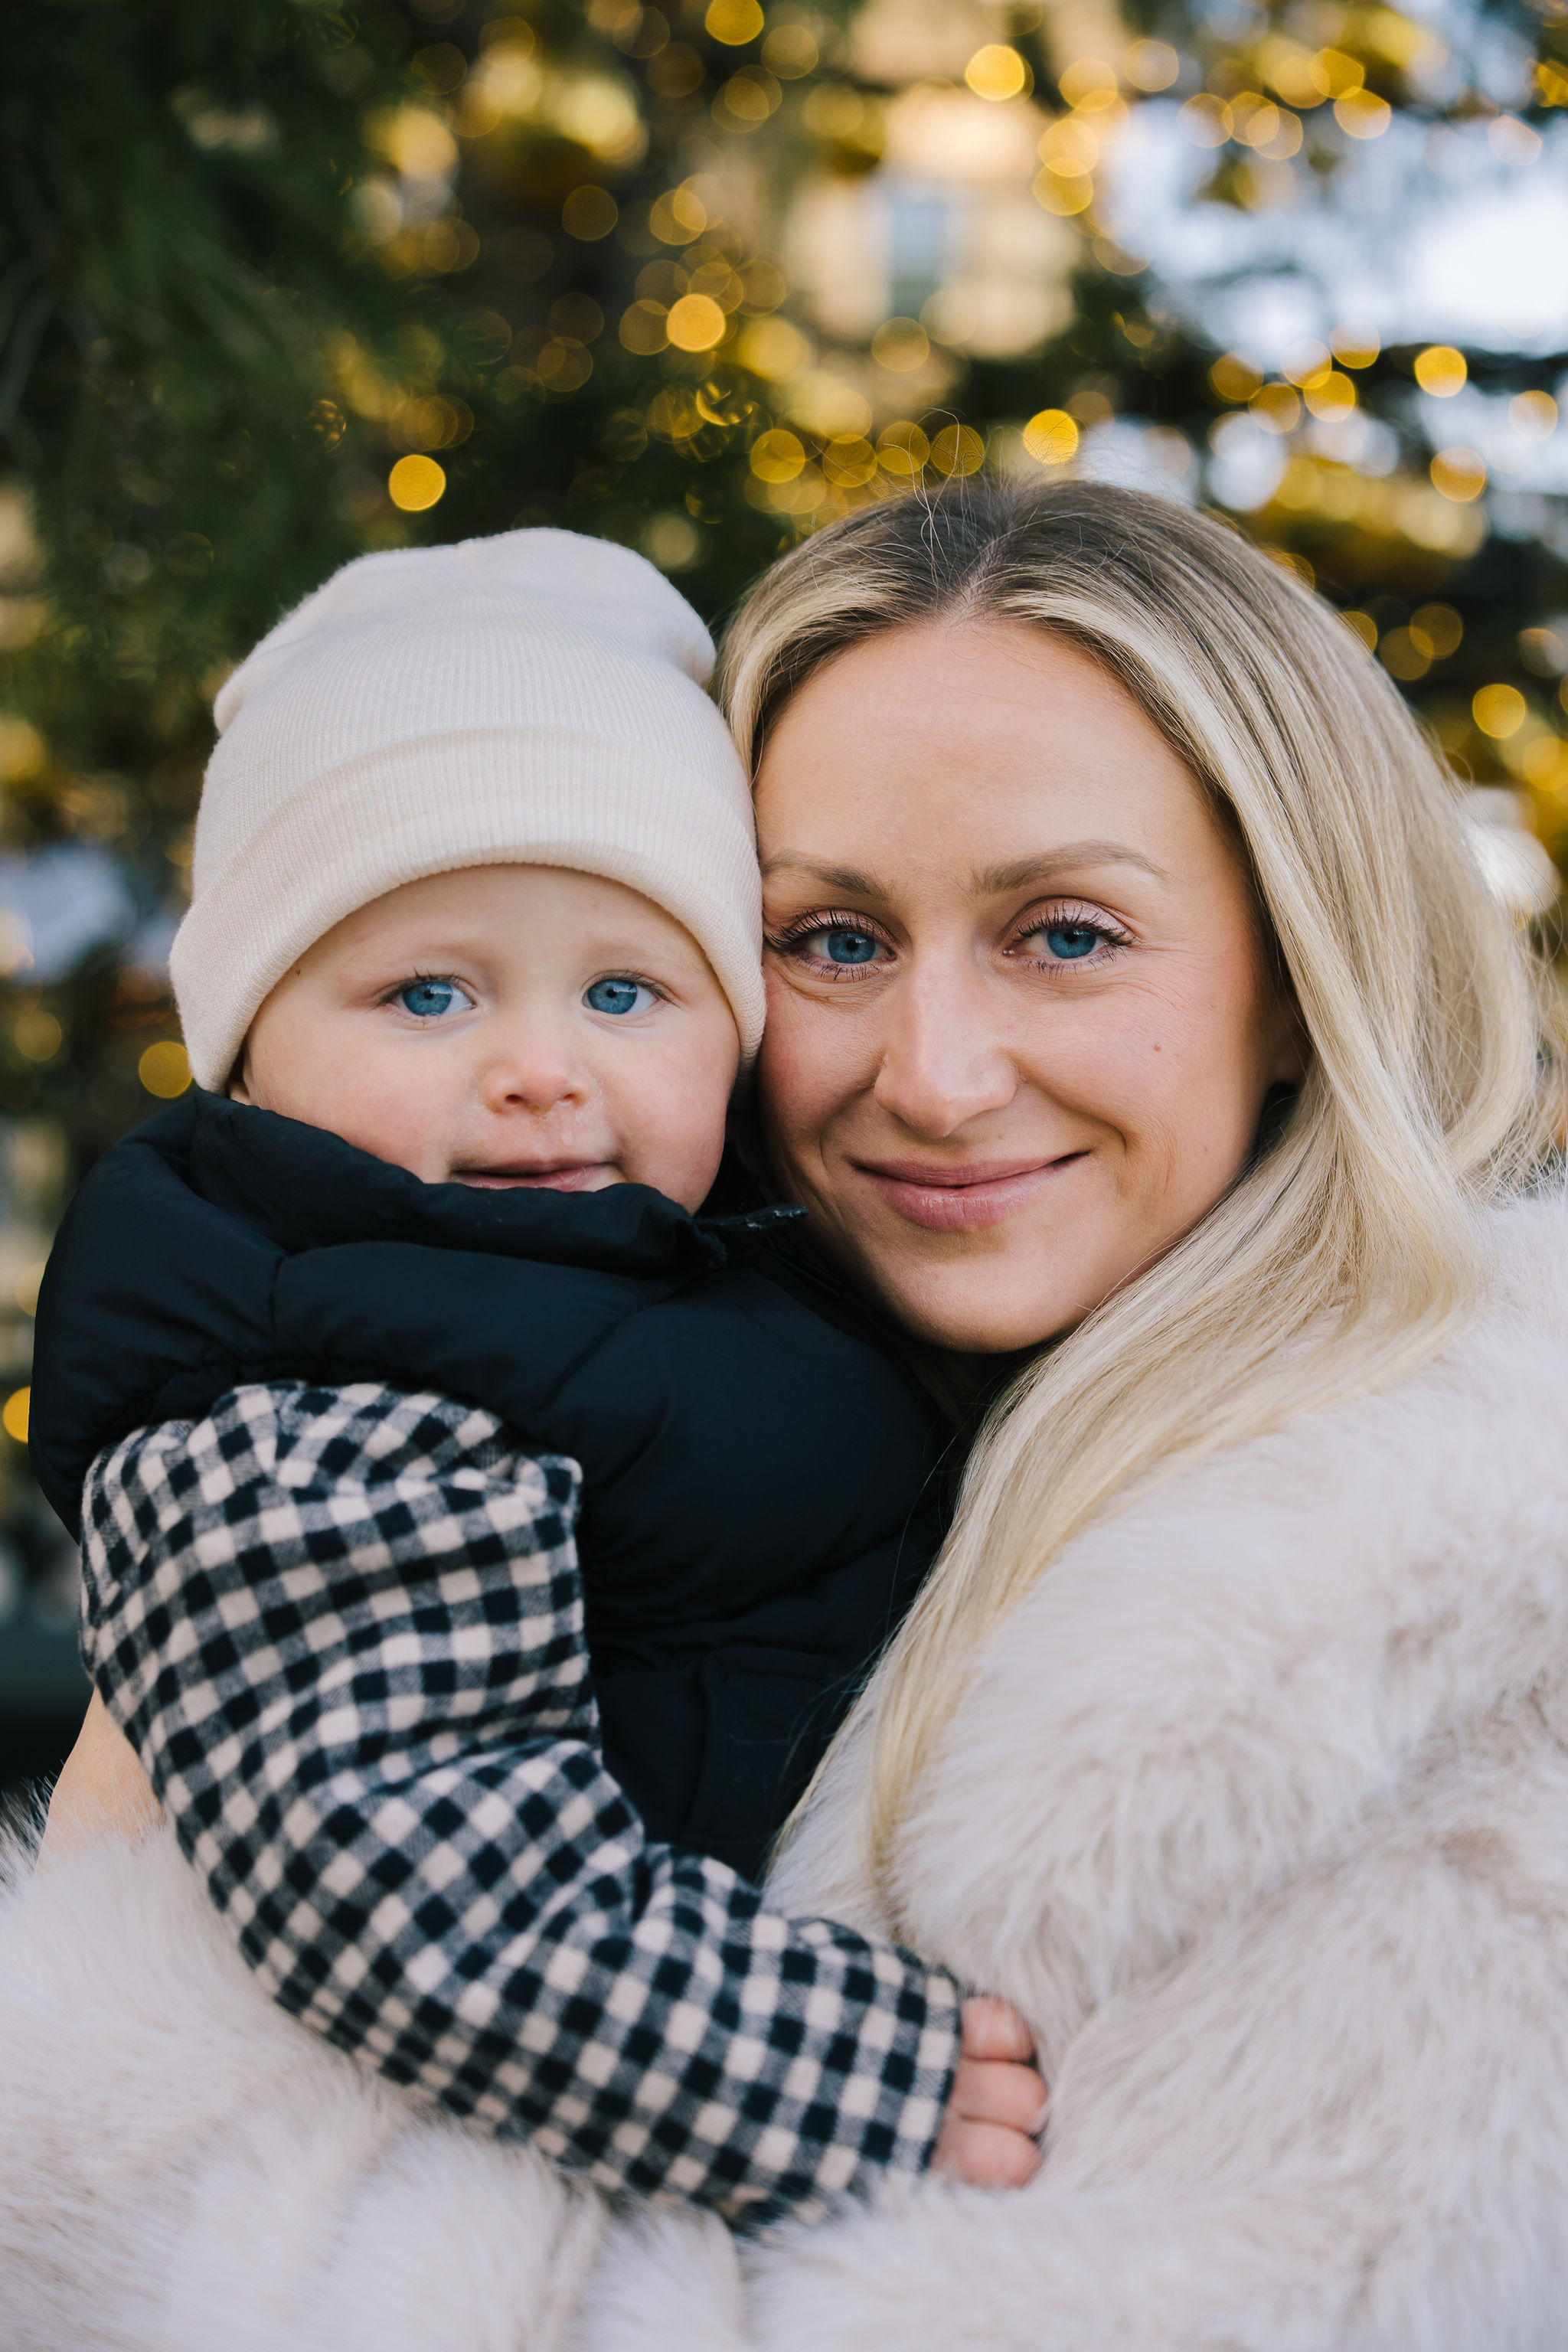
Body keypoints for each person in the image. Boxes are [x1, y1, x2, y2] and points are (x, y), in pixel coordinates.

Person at [13, 479, 1568, 2352]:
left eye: (1067, 933)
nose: (935, 1077)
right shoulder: (691, 1390)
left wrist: (106, 2053)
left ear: (1300, 975)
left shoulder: (1446, 1618)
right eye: (831, 938)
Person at [1, 528, 1044, 2349]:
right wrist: (854, 2077)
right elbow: (405, 1872)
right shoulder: (302, 1404)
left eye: (624, 992)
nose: (540, 1066)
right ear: (248, 1057)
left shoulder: (724, 1284)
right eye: (429, 993)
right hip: (493, 2215)